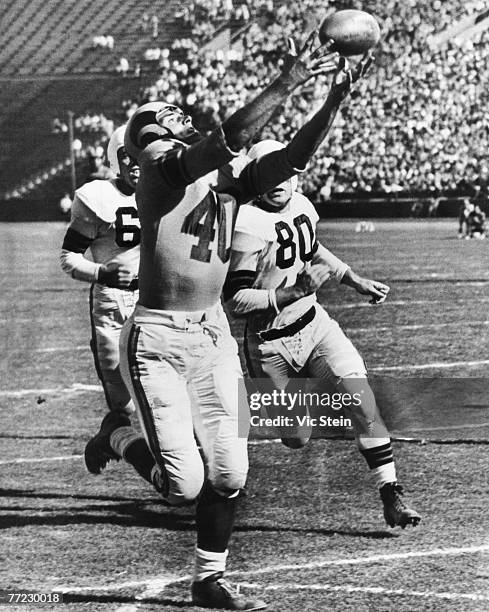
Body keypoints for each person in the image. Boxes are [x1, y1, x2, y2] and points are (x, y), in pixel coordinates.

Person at [88, 33, 372, 610]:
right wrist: (291, 79)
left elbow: (291, 159)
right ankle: (117, 436)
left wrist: (332, 102)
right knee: (180, 486)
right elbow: (232, 138)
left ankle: (208, 579)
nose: (171, 133)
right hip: (159, 339)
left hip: (213, 334)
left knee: (228, 472)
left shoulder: (223, 178)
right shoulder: (161, 171)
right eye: (161, 129)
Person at [224, 139, 421, 530]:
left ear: (296, 175)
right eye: (268, 174)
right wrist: (292, 291)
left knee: (360, 395)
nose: (277, 181)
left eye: (284, 172)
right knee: (296, 436)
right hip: (269, 344)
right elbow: (237, 300)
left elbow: (314, 250)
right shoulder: (246, 223)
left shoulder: (302, 207)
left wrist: (353, 279)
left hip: (315, 326)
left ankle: (390, 493)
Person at [60, 125, 141, 475]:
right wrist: (102, 273)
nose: (137, 163)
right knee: (123, 405)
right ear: (115, 158)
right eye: (128, 156)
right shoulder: (97, 197)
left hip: (161, 300)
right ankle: (108, 439)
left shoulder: (169, 191)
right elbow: (69, 257)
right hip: (113, 303)